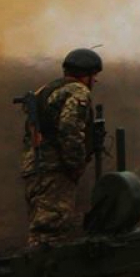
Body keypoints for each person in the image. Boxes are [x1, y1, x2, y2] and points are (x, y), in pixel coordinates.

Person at [21, 48, 102, 248]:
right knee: (49, 232)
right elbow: (70, 129)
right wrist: (75, 165)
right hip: (54, 169)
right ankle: (39, 273)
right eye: (95, 76)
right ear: (87, 75)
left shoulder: (46, 90)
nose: (96, 81)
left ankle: (37, 272)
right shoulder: (77, 92)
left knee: (41, 225)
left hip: (35, 167)